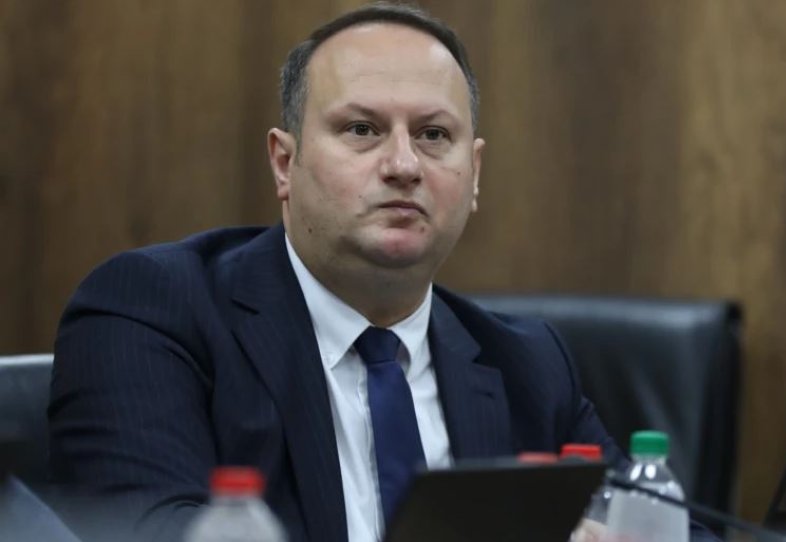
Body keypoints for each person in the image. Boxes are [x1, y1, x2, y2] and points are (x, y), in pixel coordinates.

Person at [48, 3, 714, 541]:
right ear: (284, 164)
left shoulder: (527, 367)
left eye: (433, 135)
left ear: (474, 175)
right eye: (362, 130)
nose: (403, 165)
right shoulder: (155, 315)